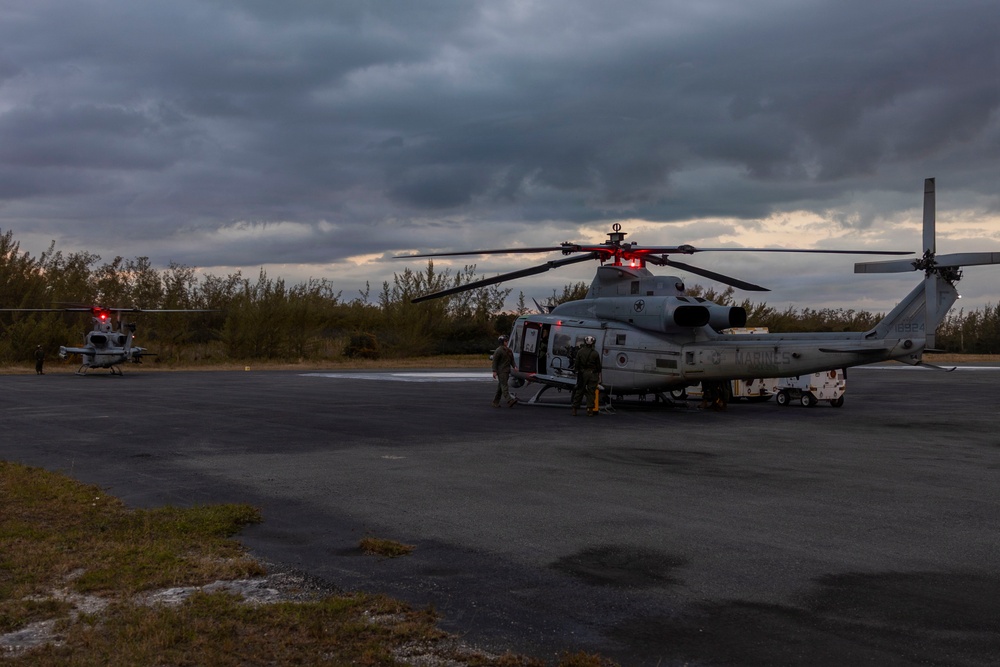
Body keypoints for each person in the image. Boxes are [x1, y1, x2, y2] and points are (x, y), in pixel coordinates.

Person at [571, 335, 602, 416]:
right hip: (592, 374)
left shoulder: (580, 352)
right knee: (591, 392)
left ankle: (574, 409)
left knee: (579, 391)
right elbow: (598, 366)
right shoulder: (595, 353)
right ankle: (590, 410)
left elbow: (576, 364)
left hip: (582, 373)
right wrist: (598, 375)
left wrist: (578, 371)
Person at [491, 335, 518, 408]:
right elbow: (495, 361)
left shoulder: (509, 350)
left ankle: (495, 402)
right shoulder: (498, 351)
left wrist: (514, 366)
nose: (507, 342)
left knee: (500, 387)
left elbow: (512, 360)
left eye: (507, 341)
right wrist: (494, 371)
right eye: (505, 341)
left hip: (507, 371)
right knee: (504, 386)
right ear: (502, 342)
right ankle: (509, 400)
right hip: (501, 371)